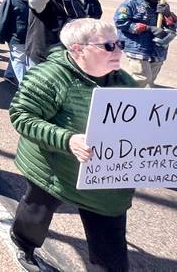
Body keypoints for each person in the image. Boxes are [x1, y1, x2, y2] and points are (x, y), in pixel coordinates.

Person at [8, 19, 137, 271]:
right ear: (78, 49)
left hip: (103, 178)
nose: (120, 51)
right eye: (109, 46)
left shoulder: (124, 81)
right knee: (35, 213)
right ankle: (23, 243)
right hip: (53, 168)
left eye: (120, 44)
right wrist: (67, 140)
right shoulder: (50, 76)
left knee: (110, 243)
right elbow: (21, 115)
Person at [114, 0, 176, 87]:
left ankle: (144, 102)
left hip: (158, 49)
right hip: (138, 48)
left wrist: (168, 15)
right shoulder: (132, 4)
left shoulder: (162, 5)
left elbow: (173, 26)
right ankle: (126, 98)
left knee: (150, 81)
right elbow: (120, 21)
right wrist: (148, 28)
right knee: (141, 78)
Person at [26, 0, 72, 66]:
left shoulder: (72, 1)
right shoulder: (43, 1)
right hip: (43, 58)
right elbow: (35, 0)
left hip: (65, 57)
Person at [0, 0, 38, 85]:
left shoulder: (35, 1)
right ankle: (24, 86)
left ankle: (9, 74)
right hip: (16, 37)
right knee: (19, 60)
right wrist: (0, 37)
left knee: (16, 58)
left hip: (31, 37)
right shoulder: (11, 0)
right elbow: (2, 20)